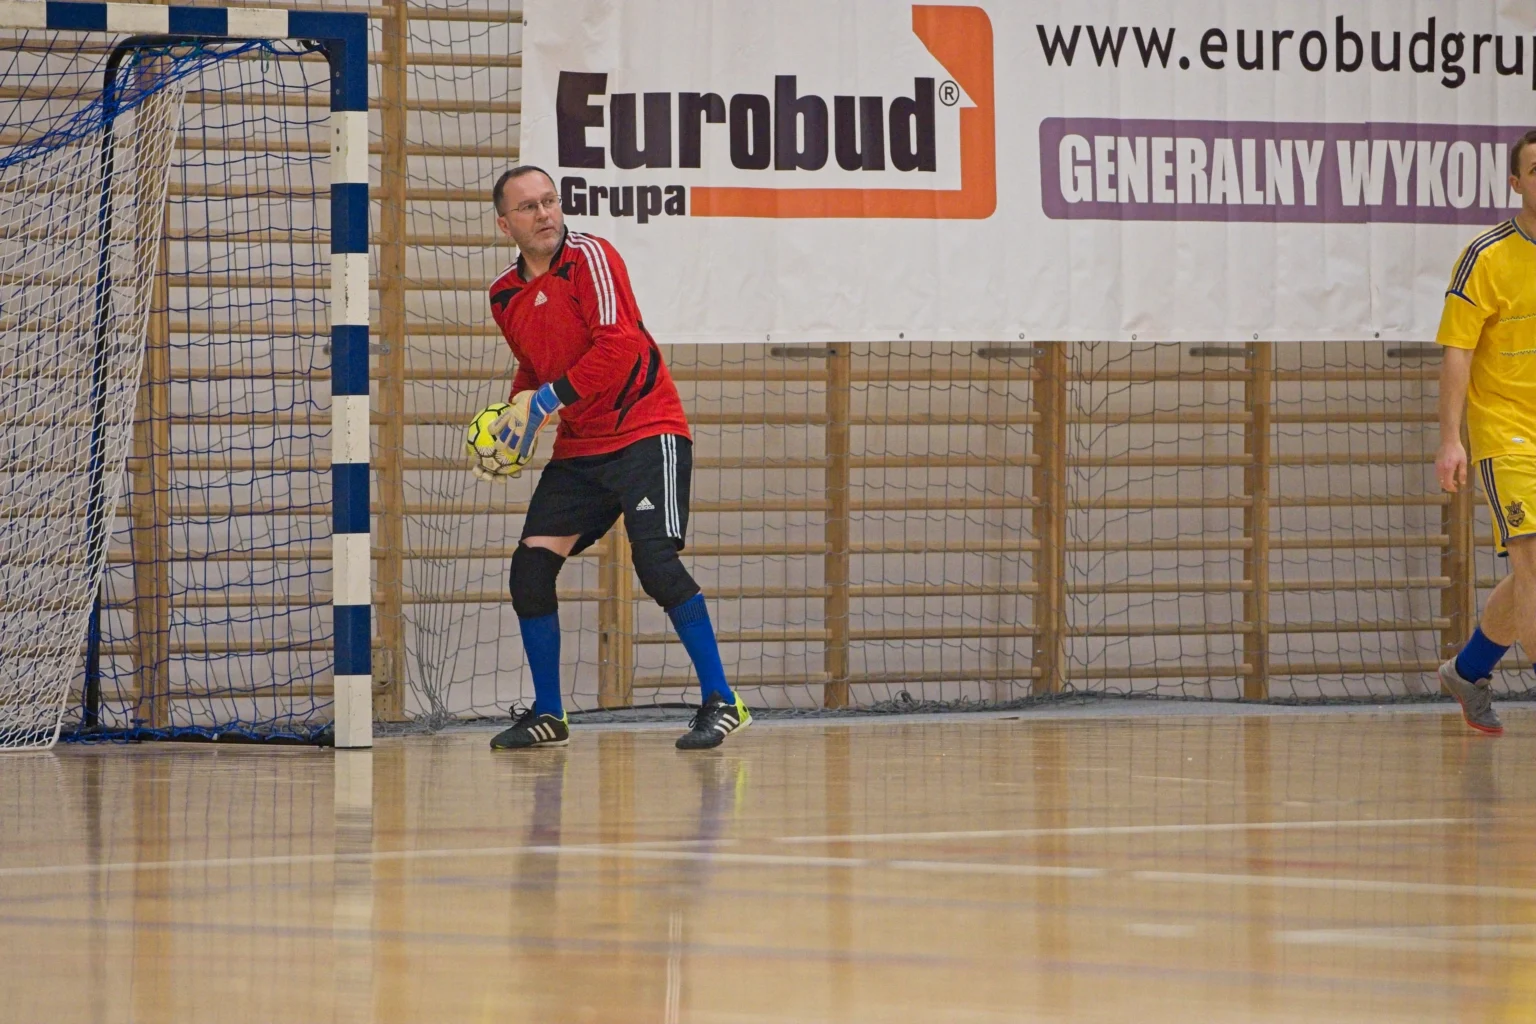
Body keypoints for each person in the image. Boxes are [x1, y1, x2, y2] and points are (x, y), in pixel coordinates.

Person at [480, 165, 751, 750]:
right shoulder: (504, 294)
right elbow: (533, 367)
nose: (545, 214)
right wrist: (517, 420)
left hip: (646, 429)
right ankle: (549, 713)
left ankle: (722, 701)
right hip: (582, 446)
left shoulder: (591, 258)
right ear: (505, 225)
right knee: (530, 571)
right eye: (528, 207)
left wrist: (545, 402)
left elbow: (620, 346)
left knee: (655, 563)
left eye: (550, 201)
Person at [1433, 128, 1536, 736]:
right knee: (1534, 562)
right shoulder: (1487, 256)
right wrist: (1452, 439)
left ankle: (1468, 671)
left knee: (1528, 576)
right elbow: (1458, 350)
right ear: (1517, 183)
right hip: (1508, 431)